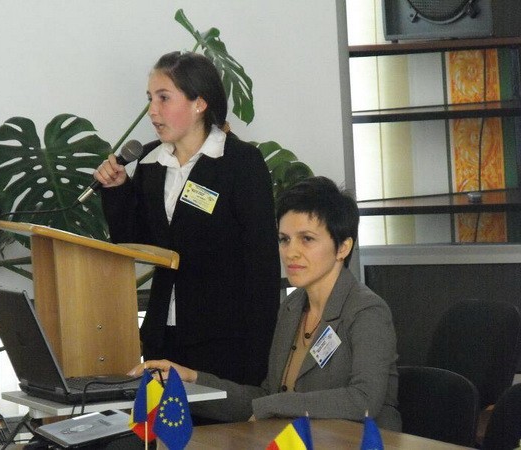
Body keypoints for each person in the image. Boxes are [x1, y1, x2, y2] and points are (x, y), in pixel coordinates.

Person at [128, 176, 402, 431]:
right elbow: (267, 397)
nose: (291, 252)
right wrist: (190, 379)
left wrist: (273, 405)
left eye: (307, 239)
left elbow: (364, 400)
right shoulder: (292, 307)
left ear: (343, 247)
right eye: (284, 240)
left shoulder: (367, 311)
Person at [93, 51, 280, 388]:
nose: (153, 110)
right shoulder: (151, 162)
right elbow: (134, 242)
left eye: (164, 98)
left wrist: (259, 358)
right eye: (150, 99)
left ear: (199, 103)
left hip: (225, 340)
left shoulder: (240, 163)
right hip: (164, 336)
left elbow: (262, 266)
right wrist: (118, 190)